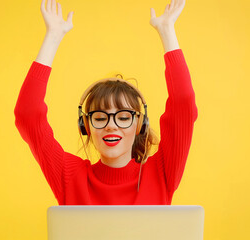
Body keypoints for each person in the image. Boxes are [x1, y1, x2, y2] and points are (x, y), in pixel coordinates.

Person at [14, 0, 198, 205]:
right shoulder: (70, 176)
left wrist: (167, 31)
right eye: (100, 117)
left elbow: (183, 104)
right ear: (86, 126)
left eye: (123, 117)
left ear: (139, 125)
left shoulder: (162, 172)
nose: (111, 125)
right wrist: (53, 36)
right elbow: (27, 114)